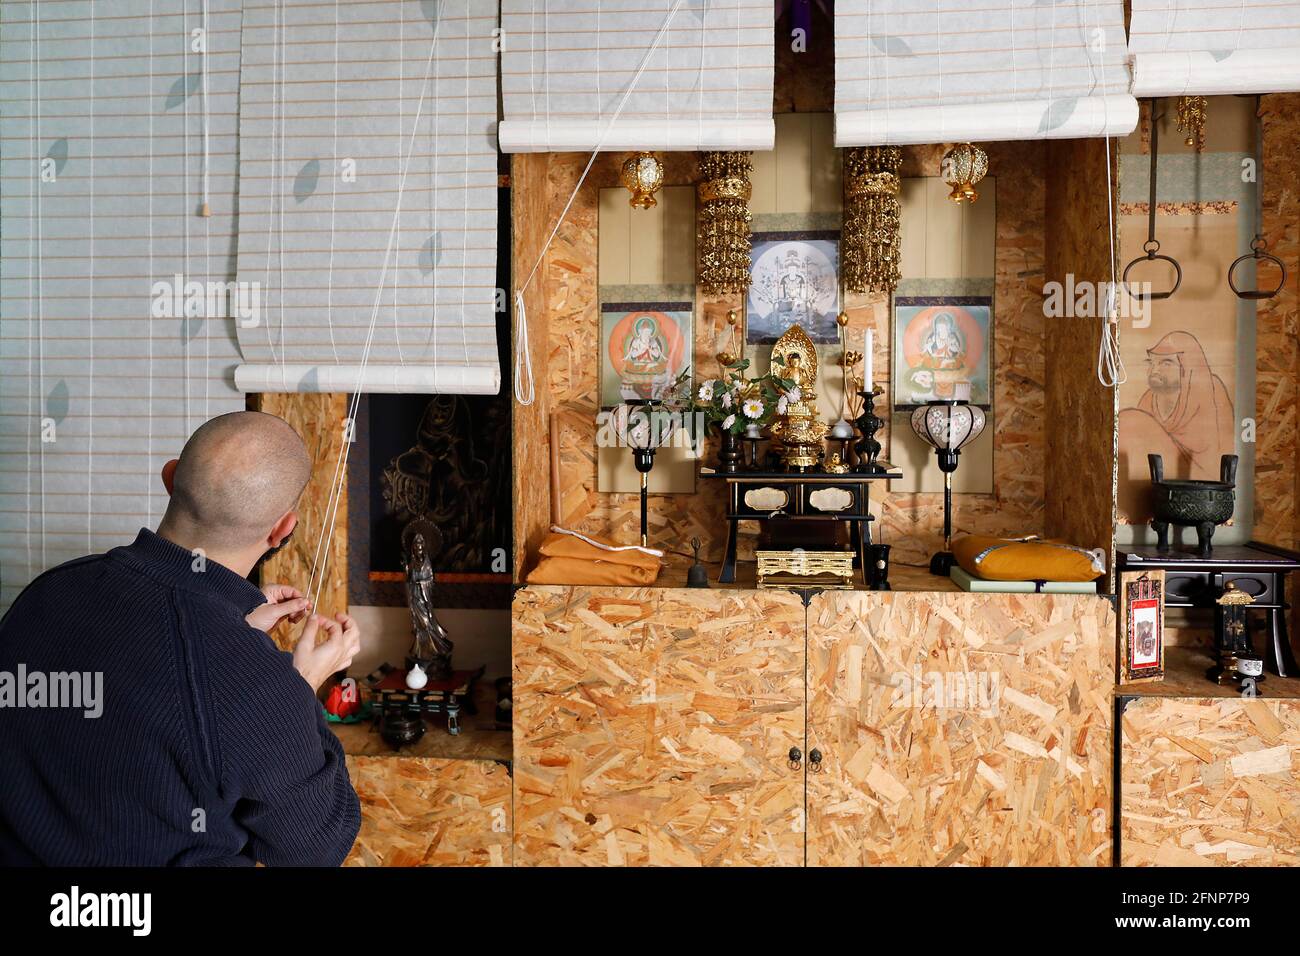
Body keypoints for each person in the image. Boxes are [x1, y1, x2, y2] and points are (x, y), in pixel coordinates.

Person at [0, 411, 361, 865]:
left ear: (170, 477)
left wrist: (231, 627)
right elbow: (316, 849)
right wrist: (297, 690)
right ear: (281, 529)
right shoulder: (260, 689)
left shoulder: (50, 590)